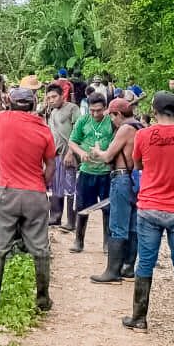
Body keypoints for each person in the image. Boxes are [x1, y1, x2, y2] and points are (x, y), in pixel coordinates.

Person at [122, 91, 174, 337]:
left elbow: (137, 166)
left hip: (150, 208)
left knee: (145, 261)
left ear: (154, 111)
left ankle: (139, 317)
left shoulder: (143, 135)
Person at [0, 87, 57, 311]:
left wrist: (5, 98)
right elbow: (51, 165)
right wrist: (42, 184)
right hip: (35, 193)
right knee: (41, 248)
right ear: (34, 104)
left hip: (6, 191)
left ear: (11, 104)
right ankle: (43, 298)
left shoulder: (4, 119)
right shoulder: (44, 130)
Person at [89, 99, 143, 284]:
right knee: (133, 224)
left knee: (118, 224)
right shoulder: (141, 127)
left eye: (112, 116)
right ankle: (128, 267)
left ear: (118, 114)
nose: (112, 121)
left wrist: (97, 152)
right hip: (135, 179)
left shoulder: (125, 129)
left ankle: (112, 271)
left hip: (121, 178)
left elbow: (108, 156)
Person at [66, 93, 115, 253]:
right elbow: (72, 141)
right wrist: (80, 153)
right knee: (82, 207)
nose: (95, 114)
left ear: (105, 108)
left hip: (106, 171)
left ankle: (107, 243)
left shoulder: (111, 121)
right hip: (87, 170)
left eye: (99, 110)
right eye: (92, 110)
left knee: (107, 208)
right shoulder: (83, 120)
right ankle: (79, 240)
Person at [44, 84, 82, 230]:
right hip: (56, 155)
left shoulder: (72, 108)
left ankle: (72, 222)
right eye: (48, 98)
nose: (51, 100)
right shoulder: (52, 112)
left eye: (54, 97)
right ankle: (55, 218)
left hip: (69, 154)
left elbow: (78, 132)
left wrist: (71, 152)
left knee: (70, 188)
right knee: (56, 187)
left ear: (62, 96)